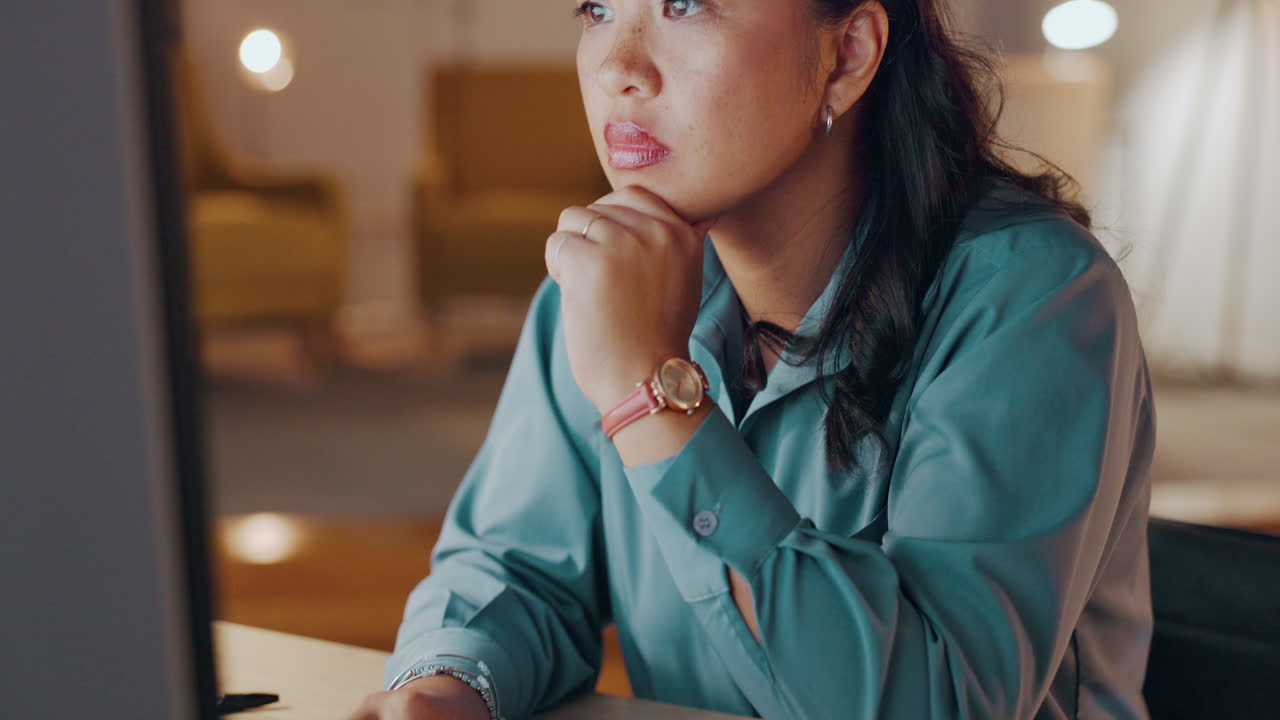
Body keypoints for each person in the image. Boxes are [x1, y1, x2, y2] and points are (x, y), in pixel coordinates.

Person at [347, 0, 1155, 718]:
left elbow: (940, 703)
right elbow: (516, 568)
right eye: (596, 8)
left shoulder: (1034, 295)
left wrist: (650, 396)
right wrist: (449, 686)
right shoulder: (605, 284)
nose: (619, 68)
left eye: (685, 4)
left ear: (846, 54)